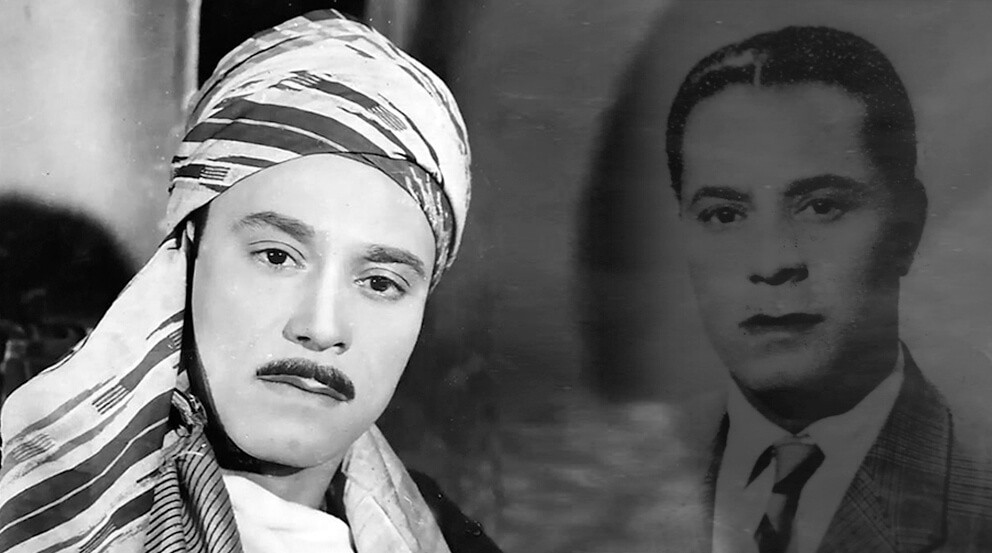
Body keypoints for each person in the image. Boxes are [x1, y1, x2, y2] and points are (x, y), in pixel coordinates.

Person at [0, 10, 500, 553]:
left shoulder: (446, 538)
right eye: (277, 257)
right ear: (187, 254)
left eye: (380, 283)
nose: (321, 328)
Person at [658, 26, 992, 552]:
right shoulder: (620, 473)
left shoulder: (976, 492)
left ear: (907, 228)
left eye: (821, 206)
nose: (773, 264)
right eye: (724, 214)